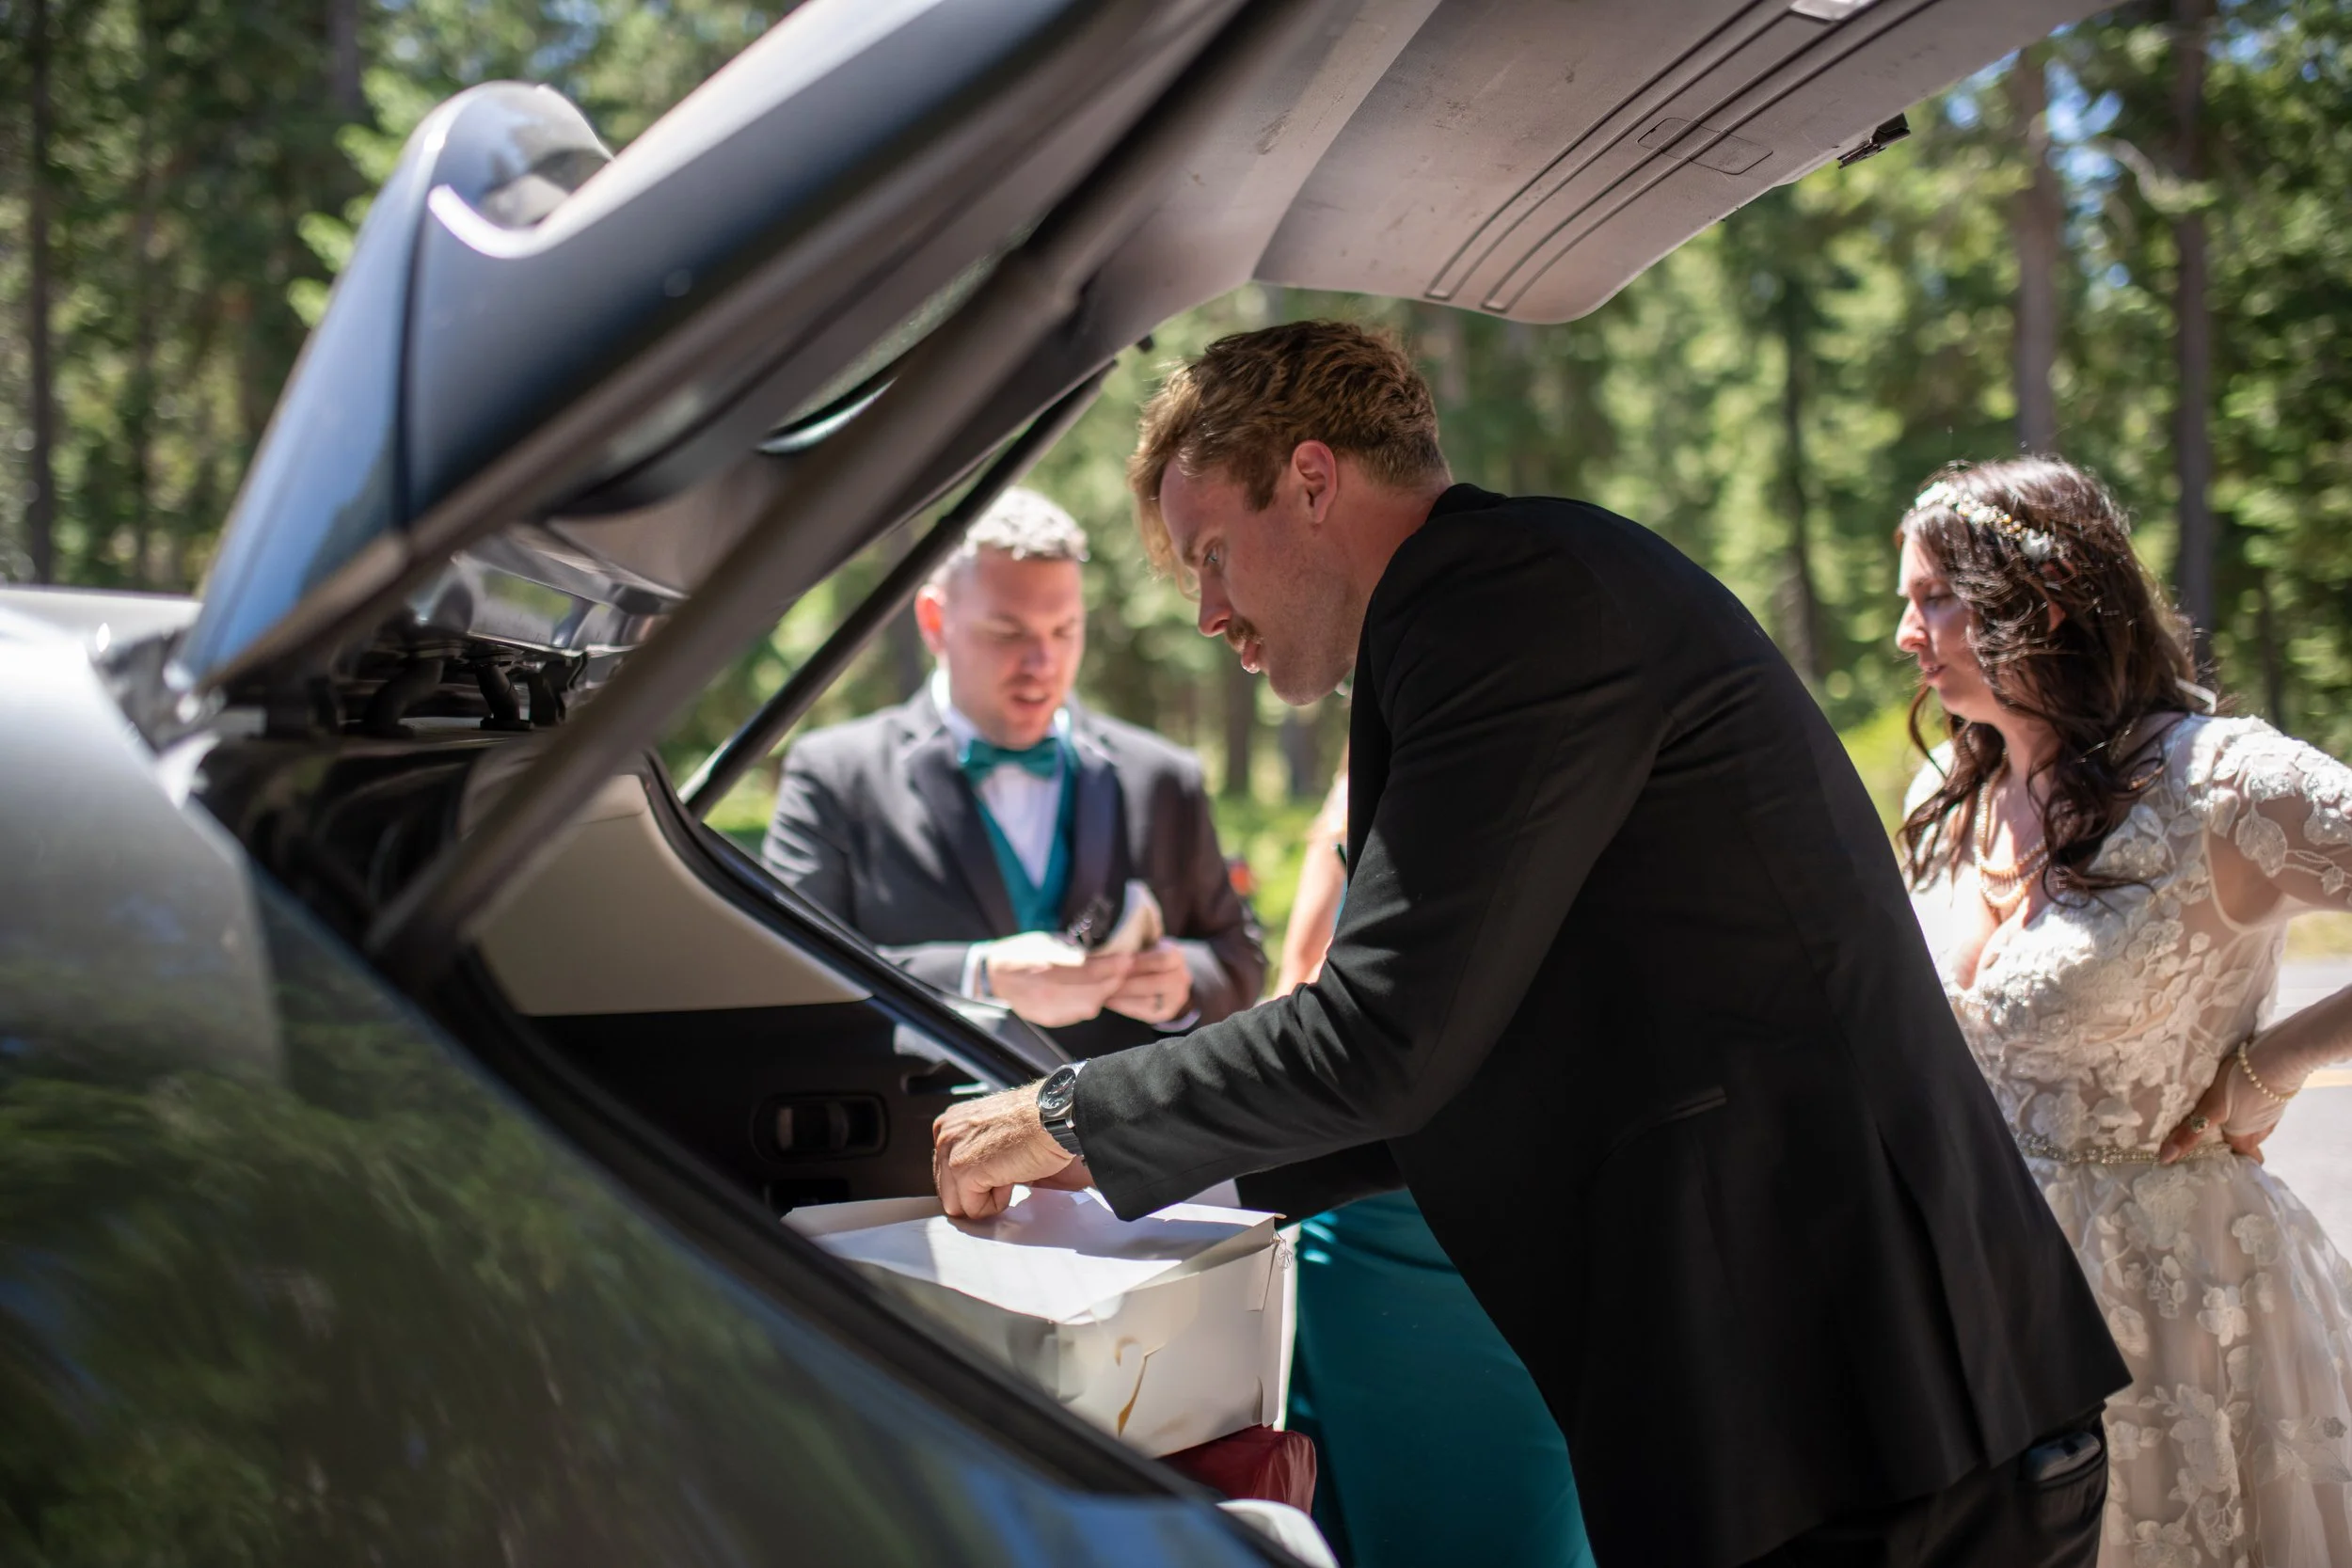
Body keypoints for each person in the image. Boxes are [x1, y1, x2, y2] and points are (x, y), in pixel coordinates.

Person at [932, 320, 2128, 1568]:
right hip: (1832, 1414)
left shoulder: (1502, 601)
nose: (1208, 612)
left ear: (1313, 478)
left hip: (1883, 1413)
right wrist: (1122, 1177)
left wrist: (1069, 1114)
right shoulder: (1489, 603)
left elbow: (1385, 1033)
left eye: (1214, 554)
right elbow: (1444, 1055)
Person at [1893, 457, 2352, 1568]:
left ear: (2037, 603)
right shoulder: (1944, 794)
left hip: (2182, 1308)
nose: (1906, 634)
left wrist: (2276, 1061)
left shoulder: (2222, 783)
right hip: (1975, 1298)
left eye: (1931, 599)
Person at [763, 487, 1264, 1059]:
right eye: (1008, 633)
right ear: (934, 622)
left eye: (1064, 631)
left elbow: (1239, 959)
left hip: (1123, 1139)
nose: (1043, 666)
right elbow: (790, 974)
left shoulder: (1163, 777)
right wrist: (979, 976)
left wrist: (1183, 987)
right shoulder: (833, 776)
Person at [1276, 751, 1598, 1568]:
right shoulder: (1364, 769)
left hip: (1493, 1253)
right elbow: (1293, 1005)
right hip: (1341, 1246)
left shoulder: (1552, 745)